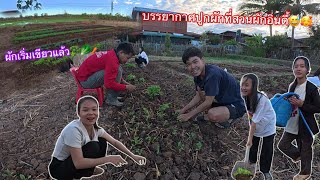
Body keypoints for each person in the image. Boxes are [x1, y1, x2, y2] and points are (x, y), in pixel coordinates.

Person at [48, 95, 146, 180]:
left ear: (98, 112)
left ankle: (87, 171)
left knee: (102, 141)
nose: (91, 113)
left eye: (94, 109)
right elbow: (78, 163)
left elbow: (115, 142)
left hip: (72, 162)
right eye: (85, 110)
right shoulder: (73, 130)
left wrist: (132, 156)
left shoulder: (96, 130)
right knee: (93, 146)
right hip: (59, 168)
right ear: (78, 113)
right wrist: (109, 159)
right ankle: (76, 176)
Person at [177, 47, 246, 128]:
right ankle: (219, 112)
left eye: (195, 62)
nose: (192, 67)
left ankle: (232, 117)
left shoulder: (213, 74)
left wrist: (188, 115)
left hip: (238, 104)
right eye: (188, 64)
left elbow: (208, 102)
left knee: (212, 114)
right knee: (202, 94)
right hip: (223, 99)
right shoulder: (197, 76)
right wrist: (183, 110)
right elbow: (198, 96)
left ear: (202, 60)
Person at [277, 56, 320, 180]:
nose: (298, 69)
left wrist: (302, 104)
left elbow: (318, 107)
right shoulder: (292, 86)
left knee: (305, 148)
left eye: (302, 66)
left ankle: (305, 173)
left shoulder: (311, 88)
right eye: (296, 66)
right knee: (283, 145)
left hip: (305, 124)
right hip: (292, 122)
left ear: (308, 70)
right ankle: (298, 155)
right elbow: (290, 102)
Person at [76, 42, 136, 107]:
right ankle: (111, 99)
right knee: (114, 72)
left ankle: (113, 96)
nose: (127, 60)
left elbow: (114, 72)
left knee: (118, 69)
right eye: (127, 58)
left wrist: (123, 82)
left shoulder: (112, 54)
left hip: (85, 77)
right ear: (121, 53)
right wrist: (126, 87)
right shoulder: (112, 60)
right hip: (85, 81)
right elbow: (108, 84)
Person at [241, 73, 276, 180]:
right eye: (242, 84)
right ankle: (251, 165)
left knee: (267, 148)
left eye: (247, 85)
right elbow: (253, 120)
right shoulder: (244, 95)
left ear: (254, 86)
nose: (243, 87)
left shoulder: (262, 100)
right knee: (253, 146)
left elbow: (254, 122)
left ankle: (265, 171)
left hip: (268, 124)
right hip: (256, 124)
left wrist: (249, 139)